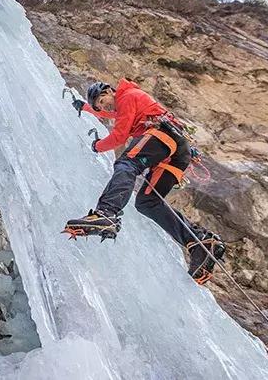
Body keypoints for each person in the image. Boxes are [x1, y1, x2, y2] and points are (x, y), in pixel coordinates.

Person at [65, 79, 226, 285]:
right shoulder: (121, 105)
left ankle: (106, 214)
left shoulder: (128, 97)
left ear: (109, 91)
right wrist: (87, 108)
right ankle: (200, 243)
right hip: (176, 153)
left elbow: (119, 136)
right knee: (147, 203)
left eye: (102, 100)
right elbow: (109, 114)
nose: (103, 106)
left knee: (127, 164)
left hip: (164, 136)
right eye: (99, 105)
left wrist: (97, 146)